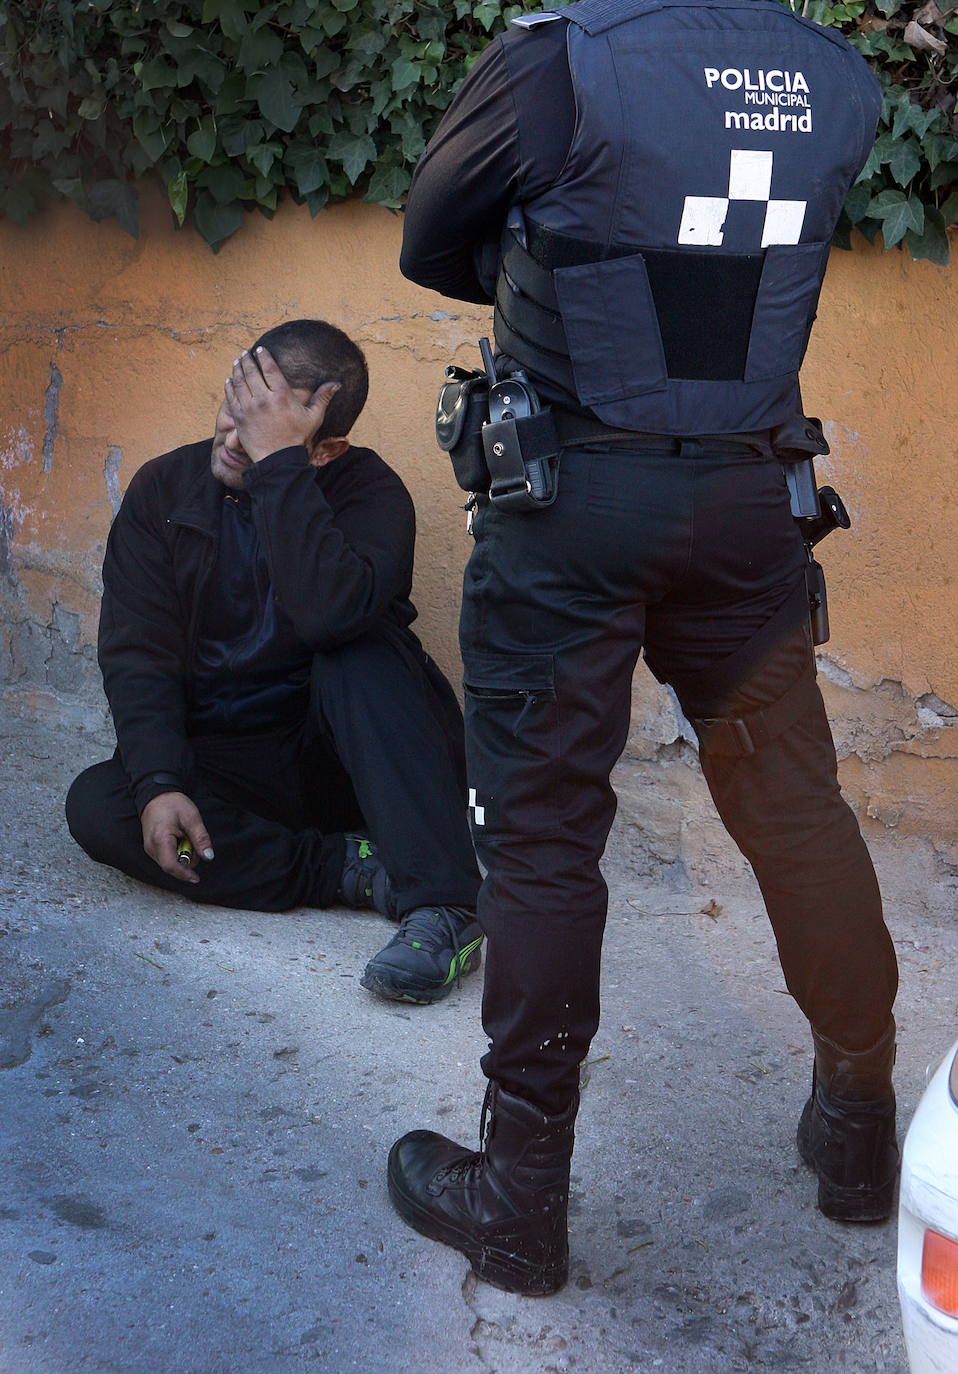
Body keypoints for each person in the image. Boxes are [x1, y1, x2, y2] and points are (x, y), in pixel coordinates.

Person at [386, 0, 900, 1294]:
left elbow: (433, 238)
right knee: (794, 810)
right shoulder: (836, 77)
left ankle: (517, 1198)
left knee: (546, 836)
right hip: (747, 499)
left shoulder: (560, 58)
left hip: (569, 499)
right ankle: (856, 1138)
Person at [66, 319, 483, 1005]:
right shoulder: (163, 491)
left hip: (343, 763)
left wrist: (278, 472)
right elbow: (136, 653)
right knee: (101, 802)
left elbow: (329, 616)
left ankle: (444, 905)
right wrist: (162, 781)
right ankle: (350, 871)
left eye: (260, 431)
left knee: (361, 647)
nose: (232, 441)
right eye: (233, 413)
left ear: (326, 450)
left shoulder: (368, 493)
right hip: (230, 770)